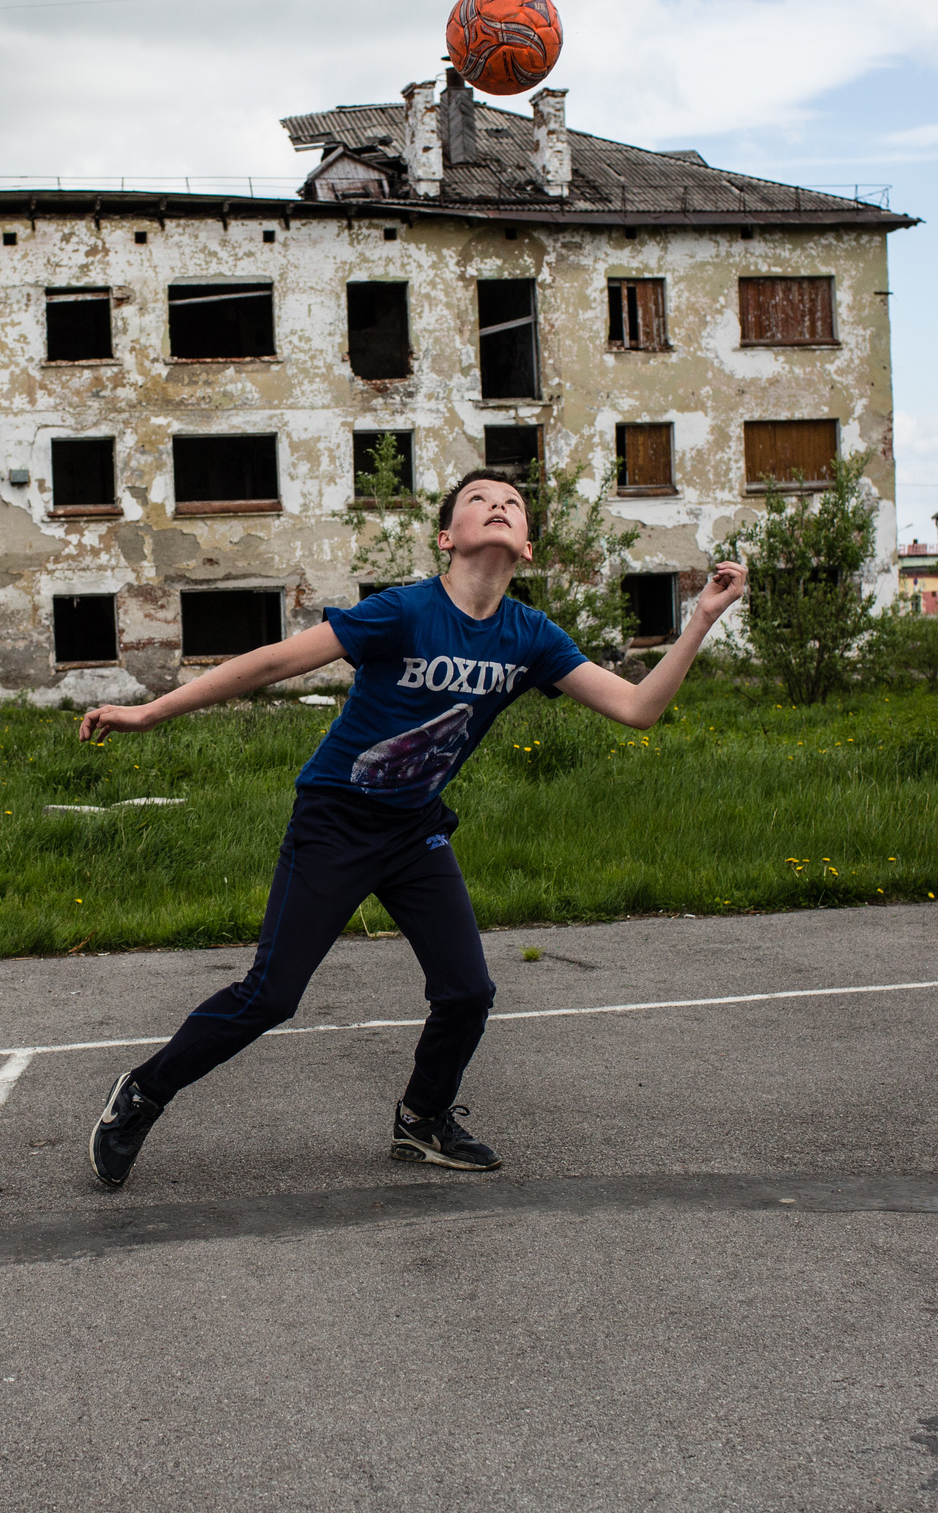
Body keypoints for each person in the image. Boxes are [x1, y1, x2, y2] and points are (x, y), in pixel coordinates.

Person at [78, 469, 748, 1188]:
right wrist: (148, 712)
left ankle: (422, 1119)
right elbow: (272, 662)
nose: (498, 507)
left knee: (467, 991)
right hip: (336, 819)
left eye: (512, 504)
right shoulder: (402, 611)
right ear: (447, 537)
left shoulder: (532, 637)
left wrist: (701, 619)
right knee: (271, 995)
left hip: (414, 831)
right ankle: (143, 1092)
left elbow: (639, 707)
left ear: (526, 544)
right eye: (478, 501)